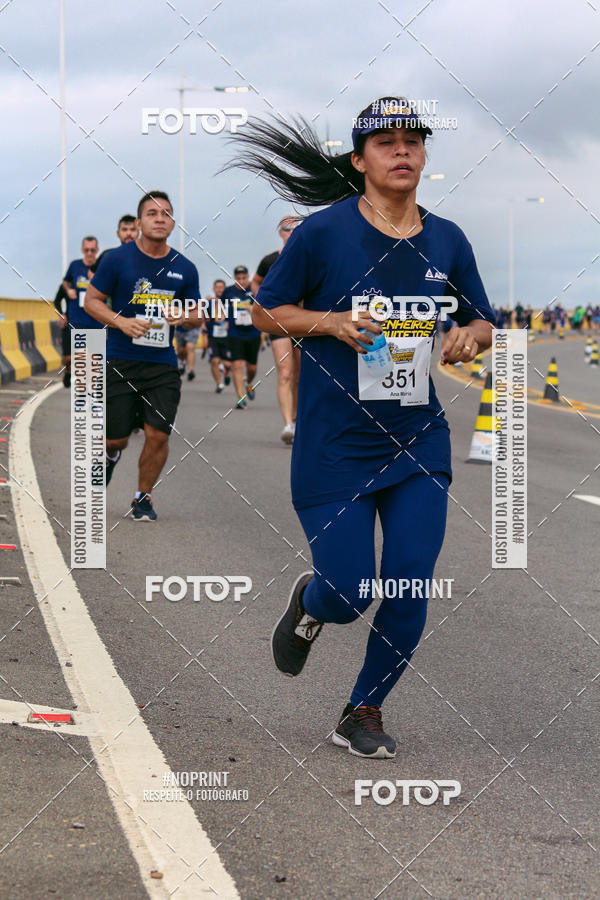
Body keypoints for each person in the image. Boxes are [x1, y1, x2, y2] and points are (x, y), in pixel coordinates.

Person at [230, 97, 495, 758]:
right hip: (332, 447)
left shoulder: (447, 239)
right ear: (360, 160)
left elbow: (483, 319)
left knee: (408, 579)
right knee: (350, 593)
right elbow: (264, 314)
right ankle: (314, 604)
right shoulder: (323, 234)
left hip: (417, 443)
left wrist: (468, 335)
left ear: (424, 156)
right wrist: (332, 323)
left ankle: (362, 709)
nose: (402, 151)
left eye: (413, 141)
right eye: (386, 143)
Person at [84, 190, 201, 521]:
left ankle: (142, 498)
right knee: (116, 439)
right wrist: (121, 321)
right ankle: (109, 456)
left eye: (166, 213)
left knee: (158, 433)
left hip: (162, 365)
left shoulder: (185, 268)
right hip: (120, 361)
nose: (160, 218)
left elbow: (196, 313)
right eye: (152, 213)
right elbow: (91, 301)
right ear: (139, 223)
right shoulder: (117, 259)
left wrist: (185, 315)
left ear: (173, 222)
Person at [252, 216, 302, 443]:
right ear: (279, 232)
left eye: (296, 228)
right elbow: (256, 282)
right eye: (286, 228)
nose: (291, 231)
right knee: (285, 372)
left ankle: (297, 418)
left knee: (301, 375)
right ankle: (288, 424)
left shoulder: (309, 257)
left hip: (303, 322)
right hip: (279, 322)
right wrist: (262, 303)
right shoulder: (270, 260)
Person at [59, 236, 101, 387]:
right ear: (83, 250)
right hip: (78, 320)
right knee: (82, 359)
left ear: (97, 250)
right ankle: (81, 389)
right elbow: (65, 282)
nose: (89, 253)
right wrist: (69, 290)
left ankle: (93, 394)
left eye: (92, 250)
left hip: (97, 321)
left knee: (95, 363)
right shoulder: (75, 265)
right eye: (87, 250)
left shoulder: (101, 266)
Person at [222, 265, 261, 409]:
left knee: (252, 368)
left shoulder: (255, 290)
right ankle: (240, 397)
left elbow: (265, 308)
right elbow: (221, 308)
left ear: (248, 277)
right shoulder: (228, 292)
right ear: (234, 278)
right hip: (235, 333)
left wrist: (254, 309)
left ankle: (249, 384)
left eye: (244, 278)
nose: (241, 281)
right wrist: (221, 316)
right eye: (238, 279)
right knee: (237, 365)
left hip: (253, 333)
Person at [205, 278, 232, 392]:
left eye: (222, 287)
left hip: (226, 338)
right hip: (213, 337)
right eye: (217, 287)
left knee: (228, 363)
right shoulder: (209, 303)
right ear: (213, 289)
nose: (220, 289)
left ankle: (227, 371)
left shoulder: (230, 303)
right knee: (214, 361)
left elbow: (234, 318)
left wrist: (227, 322)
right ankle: (219, 383)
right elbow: (205, 320)